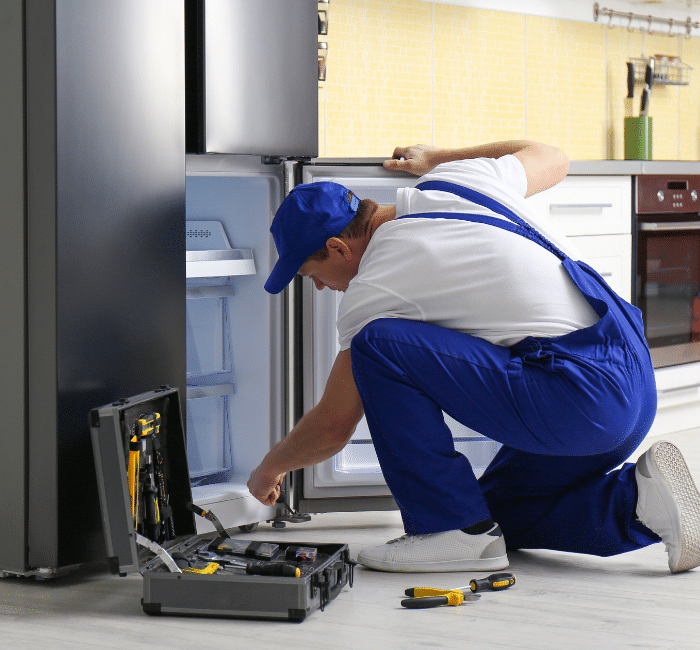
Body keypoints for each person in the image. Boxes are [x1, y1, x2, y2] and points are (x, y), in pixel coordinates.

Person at [247, 140, 700, 574]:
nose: (322, 288)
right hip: (632, 387)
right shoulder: (460, 179)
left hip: (582, 401)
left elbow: (332, 425)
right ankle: (642, 503)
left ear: (338, 249)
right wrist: (439, 158)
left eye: (312, 275)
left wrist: (271, 467)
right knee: (498, 516)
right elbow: (553, 156)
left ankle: (447, 529)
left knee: (376, 345)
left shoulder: (375, 286)